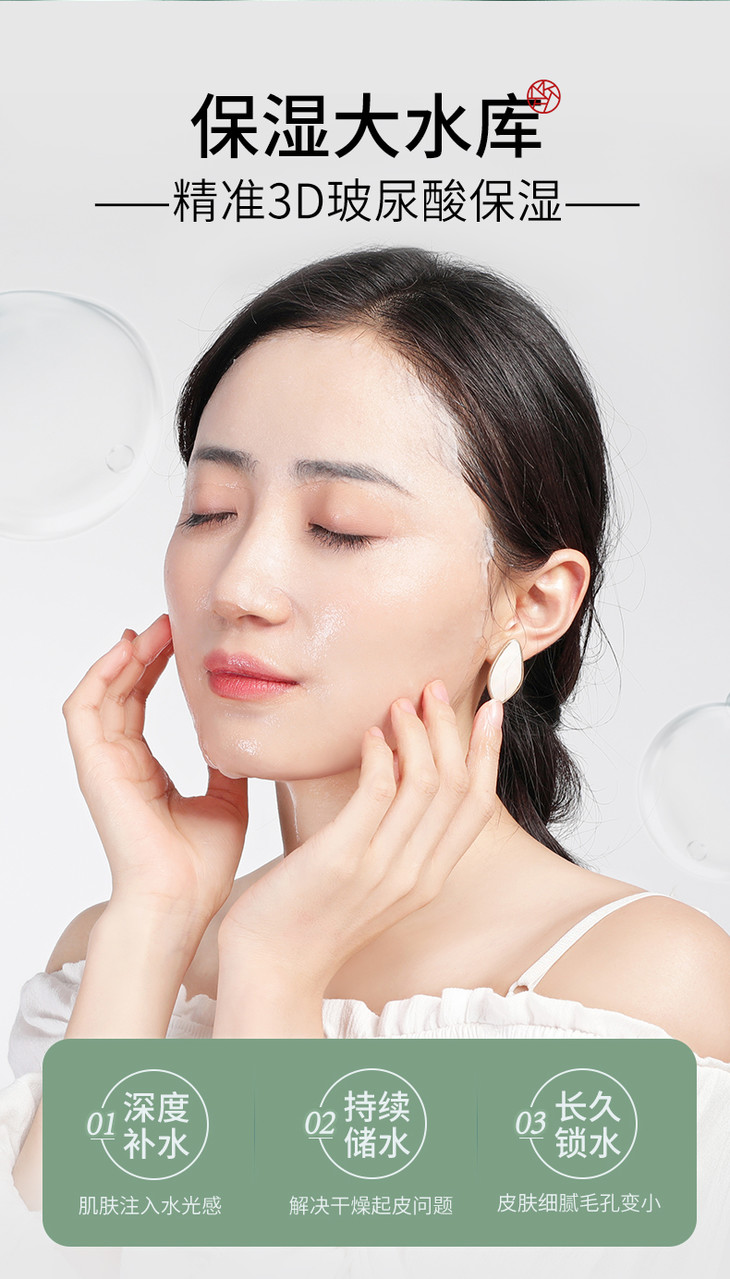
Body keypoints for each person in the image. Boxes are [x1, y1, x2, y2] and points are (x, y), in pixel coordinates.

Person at [3, 247, 730, 1277]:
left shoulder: (640, 985)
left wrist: (276, 974)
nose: (239, 584)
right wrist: (154, 919)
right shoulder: (116, 951)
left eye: (339, 528)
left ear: (532, 602)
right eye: (209, 510)